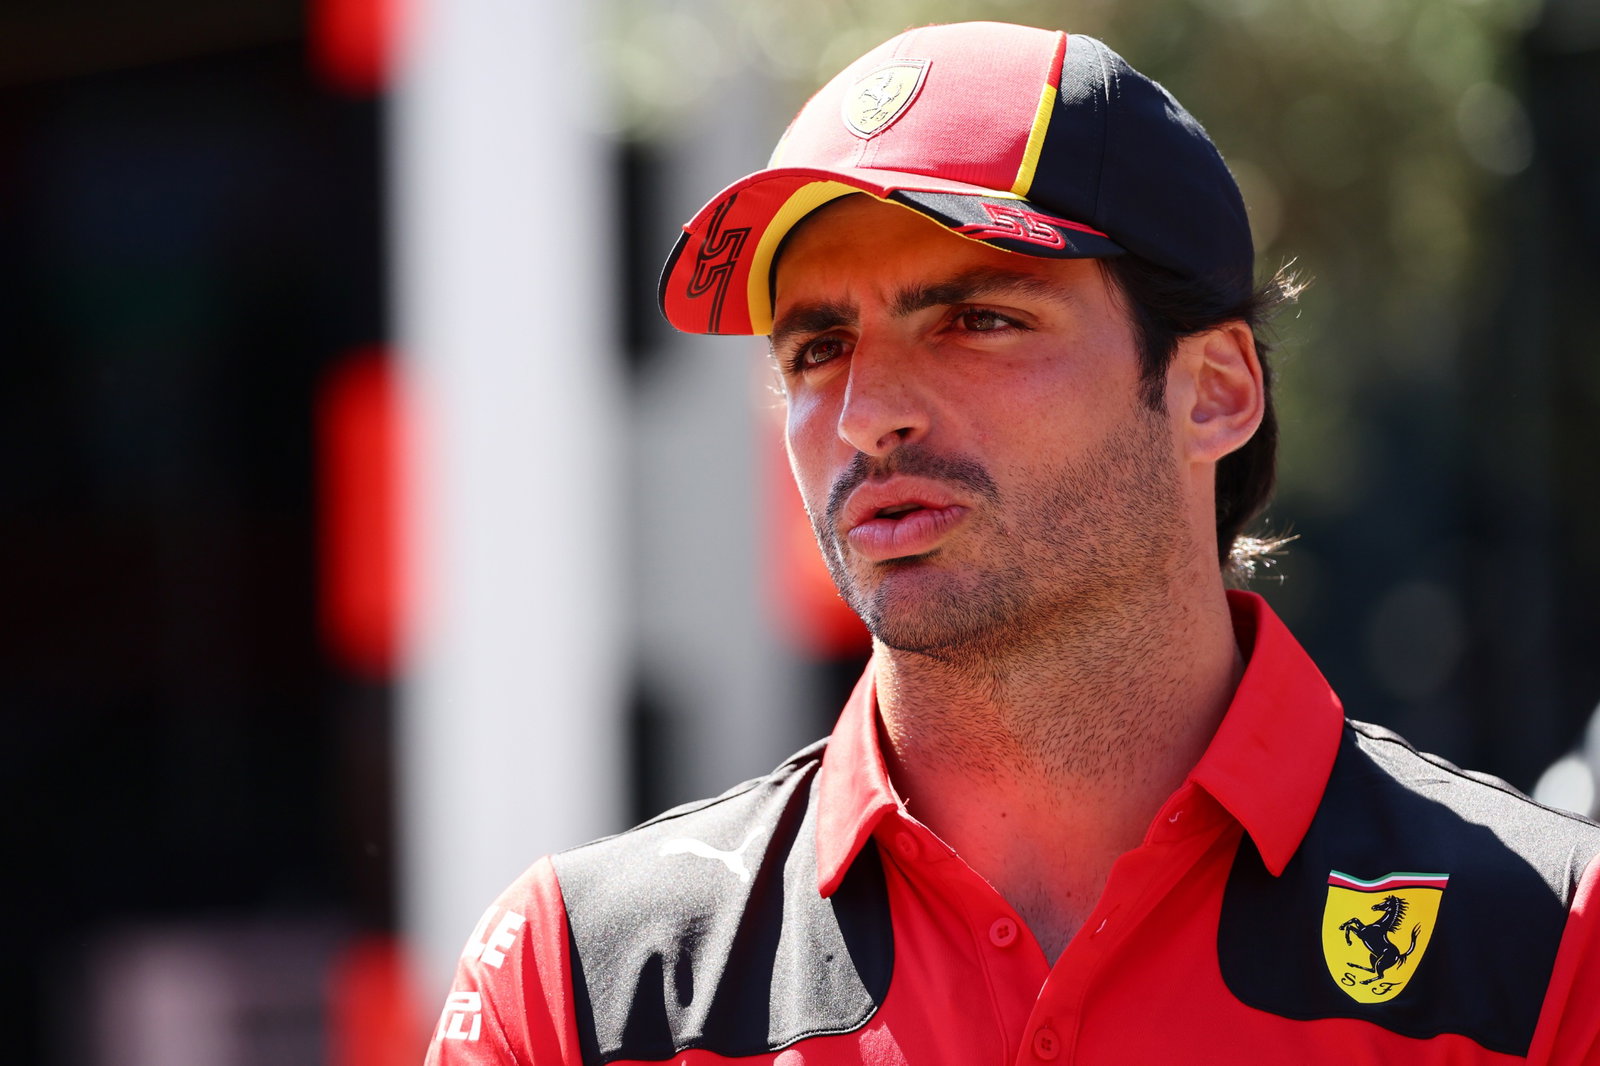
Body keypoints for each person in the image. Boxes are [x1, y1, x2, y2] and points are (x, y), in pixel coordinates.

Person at [425, 22, 1600, 1064]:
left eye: (979, 320)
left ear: (1214, 391)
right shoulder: (580, 987)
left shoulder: (1554, 946)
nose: (867, 411)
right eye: (815, 350)